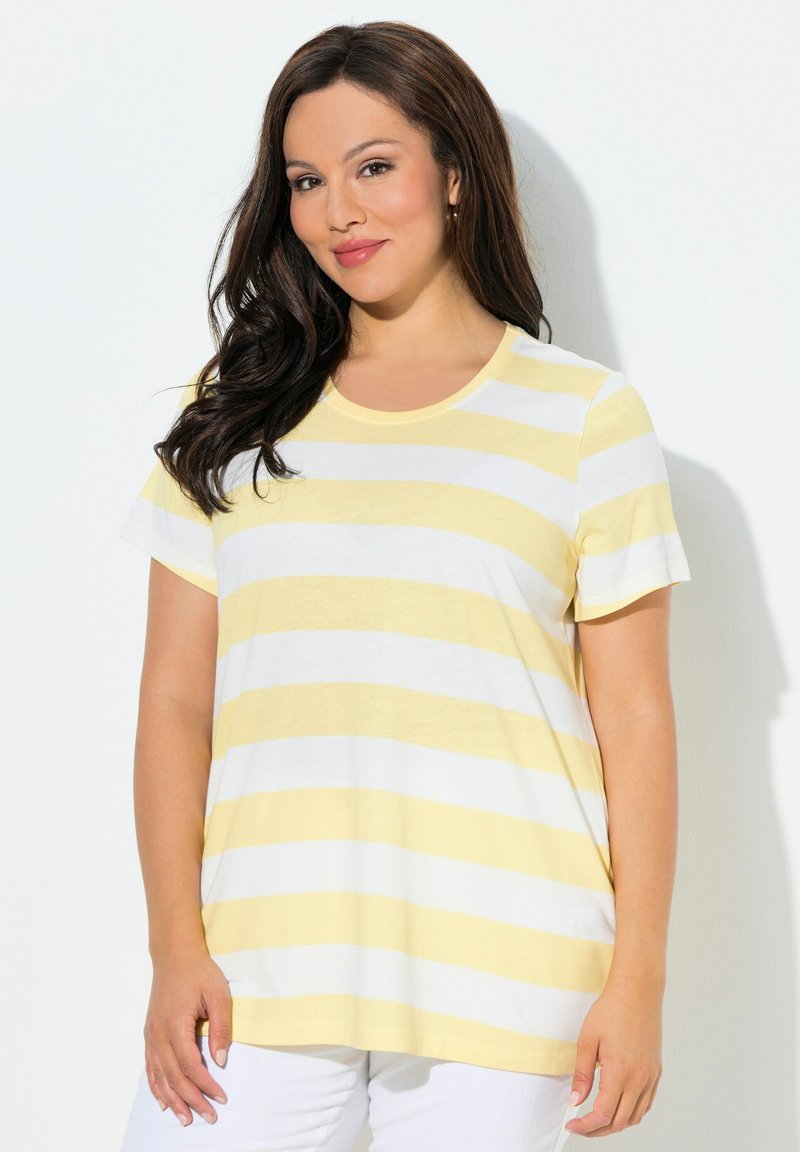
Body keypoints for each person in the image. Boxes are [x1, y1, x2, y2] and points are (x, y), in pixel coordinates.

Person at [117, 19, 691, 1151]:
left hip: (511, 975)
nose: (339, 211)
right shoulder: (231, 417)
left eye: (373, 166)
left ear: (457, 173)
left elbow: (633, 717)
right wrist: (173, 946)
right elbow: (173, 704)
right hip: (258, 969)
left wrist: (639, 980)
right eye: (306, 181)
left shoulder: (585, 417)